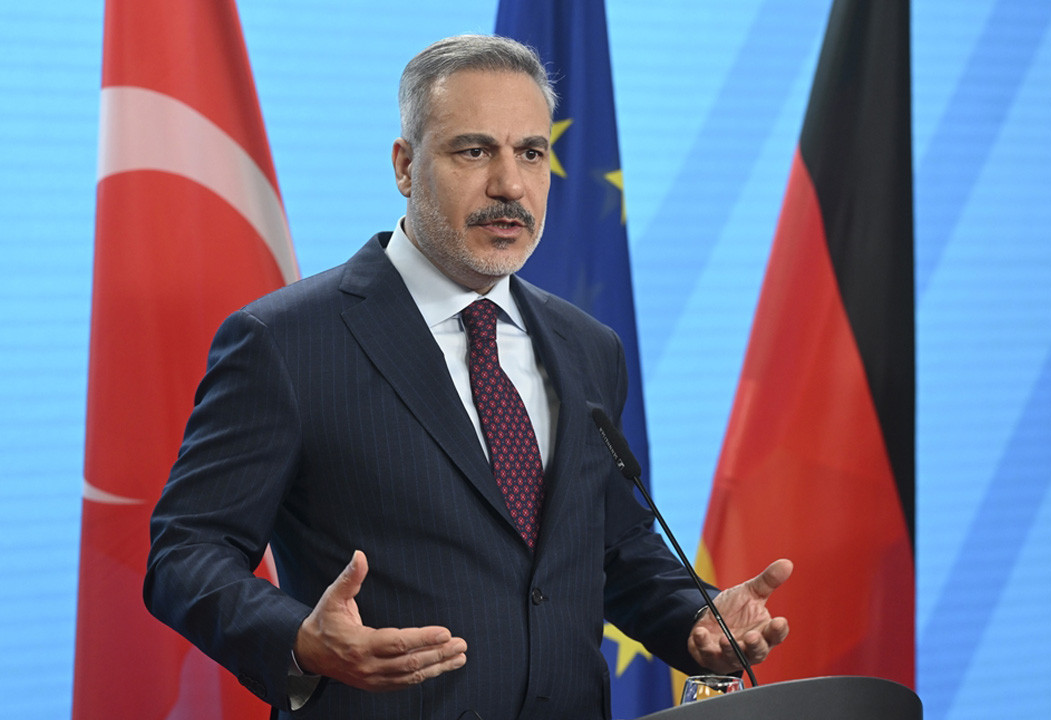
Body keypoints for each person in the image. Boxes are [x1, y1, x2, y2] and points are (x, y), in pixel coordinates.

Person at [144, 34, 791, 719]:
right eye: (474, 151)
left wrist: (694, 617)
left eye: (531, 153)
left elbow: (613, 548)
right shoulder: (286, 342)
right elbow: (186, 552)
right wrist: (301, 642)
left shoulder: (587, 346)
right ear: (405, 165)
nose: (510, 185)